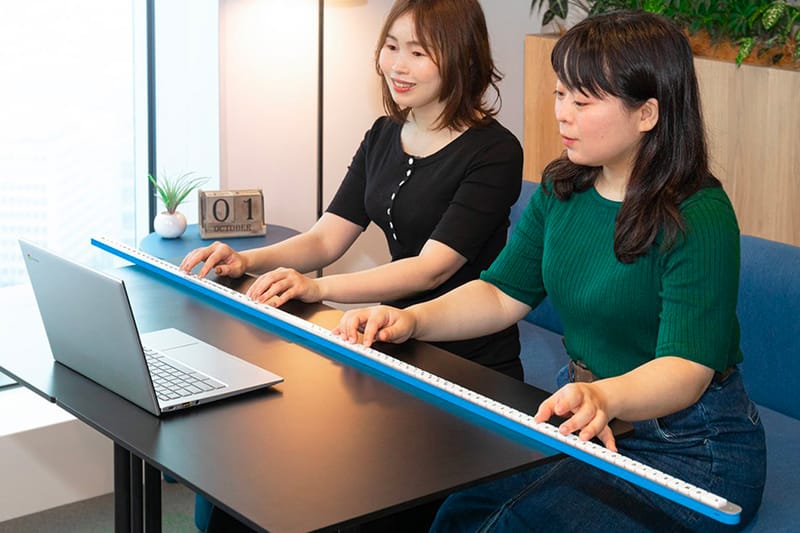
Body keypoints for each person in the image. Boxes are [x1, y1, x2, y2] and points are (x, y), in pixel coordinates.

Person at [335, 10, 766, 532]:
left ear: (647, 113)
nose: (562, 114)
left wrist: (605, 395)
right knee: (458, 513)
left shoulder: (698, 213)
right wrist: (413, 321)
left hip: (690, 446)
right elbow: (499, 294)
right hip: (586, 418)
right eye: (561, 94)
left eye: (583, 102)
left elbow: (685, 370)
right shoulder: (565, 187)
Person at [180, 0, 524, 380]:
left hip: (469, 362)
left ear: (462, 57)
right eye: (391, 47)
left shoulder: (495, 152)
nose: (397, 65)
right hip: (389, 340)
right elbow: (325, 240)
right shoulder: (382, 134)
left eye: (418, 52)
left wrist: (316, 286)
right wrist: (247, 260)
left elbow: (431, 270)